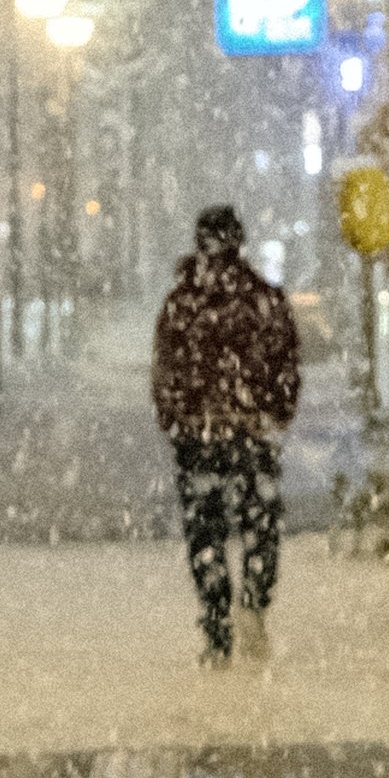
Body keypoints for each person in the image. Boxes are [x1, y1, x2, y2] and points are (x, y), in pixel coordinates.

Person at [150, 204, 300, 665]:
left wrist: (178, 419)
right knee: (261, 524)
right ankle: (253, 602)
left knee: (205, 532)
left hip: (199, 437)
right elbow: (286, 366)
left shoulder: (181, 304)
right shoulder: (264, 300)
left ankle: (217, 626)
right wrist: (273, 413)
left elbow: (166, 371)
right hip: (251, 433)